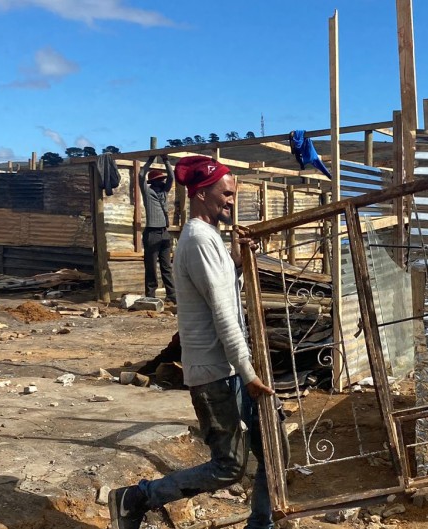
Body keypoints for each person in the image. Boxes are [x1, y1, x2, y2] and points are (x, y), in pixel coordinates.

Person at [110, 155, 275, 529]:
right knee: (229, 467)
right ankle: (136, 498)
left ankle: (262, 524)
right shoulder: (199, 239)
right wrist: (249, 373)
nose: (232, 201)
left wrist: (238, 256)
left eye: (233, 194)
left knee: (270, 448)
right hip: (216, 374)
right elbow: (223, 314)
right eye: (226, 193)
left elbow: (219, 285)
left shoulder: (210, 237)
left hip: (229, 368)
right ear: (201, 193)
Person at [140, 154, 176, 303]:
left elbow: (172, 178)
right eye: (160, 180)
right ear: (153, 182)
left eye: (162, 180)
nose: (162, 182)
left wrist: (166, 160)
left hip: (164, 233)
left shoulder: (163, 193)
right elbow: (141, 175)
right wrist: (149, 160)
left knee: (166, 266)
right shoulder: (148, 193)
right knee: (151, 267)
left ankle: (171, 295)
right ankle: (150, 295)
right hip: (152, 233)